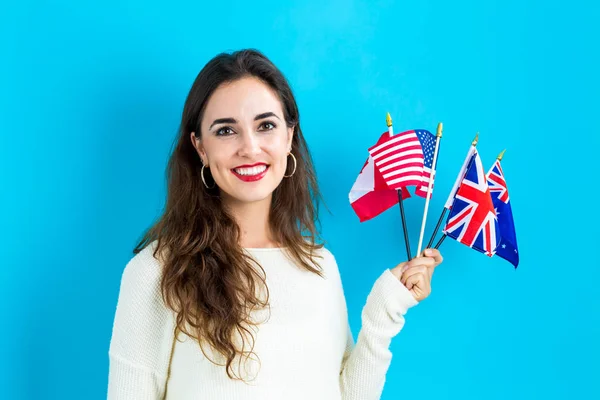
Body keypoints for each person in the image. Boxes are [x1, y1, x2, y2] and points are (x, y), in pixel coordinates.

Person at [107, 49, 443, 400]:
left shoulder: (320, 266)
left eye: (265, 125)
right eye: (225, 131)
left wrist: (384, 308)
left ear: (288, 136)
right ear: (200, 148)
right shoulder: (157, 272)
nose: (250, 148)